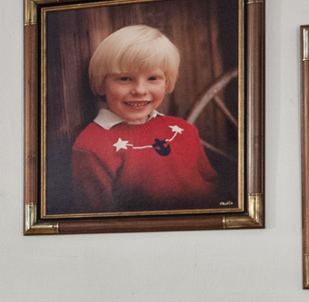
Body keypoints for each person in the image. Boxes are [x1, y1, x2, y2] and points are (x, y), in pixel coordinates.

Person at [67, 25, 214, 211]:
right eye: (124, 79)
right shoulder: (91, 147)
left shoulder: (183, 130)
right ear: (101, 85)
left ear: (168, 82)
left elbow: (211, 185)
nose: (140, 91)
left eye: (153, 78)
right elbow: (97, 217)